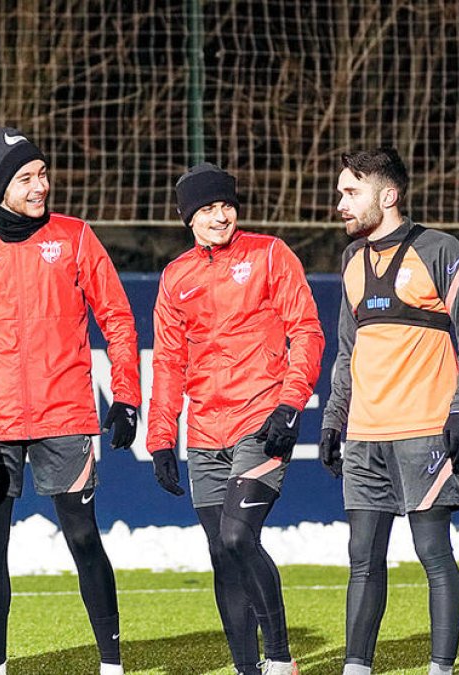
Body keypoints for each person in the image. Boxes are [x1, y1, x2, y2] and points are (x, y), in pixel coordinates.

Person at [0, 128, 140, 675]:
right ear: (0, 186)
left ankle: (111, 664)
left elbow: (118, 319)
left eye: (43, 174)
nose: (41, 187)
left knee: (83, 536)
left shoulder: (75, 237)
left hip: (64, 415)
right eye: (26, 178)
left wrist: (125, 395)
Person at [145, 163, 324, 675]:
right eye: (207, 209)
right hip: (203, 432)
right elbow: (169, 361)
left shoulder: (270, 254)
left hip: (261, 420)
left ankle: (281, 658)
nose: (220, 216)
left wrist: (290, 405)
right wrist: (161, 438)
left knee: (238, 537)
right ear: (188, 219)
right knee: (221, 556)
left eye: (226, 205)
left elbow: (306, 332)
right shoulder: (175, 277)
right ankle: (247, 669)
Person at [319, 148, 459, 675]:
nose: (340, 202)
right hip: (365, 437)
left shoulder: (439, 249)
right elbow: (347, 351)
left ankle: (441, 669)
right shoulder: (350, 262)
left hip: (424, 435)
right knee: (362, 560)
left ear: (387, 196)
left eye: (352, 192)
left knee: (432, 554)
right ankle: (356, 667)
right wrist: (332, 419)